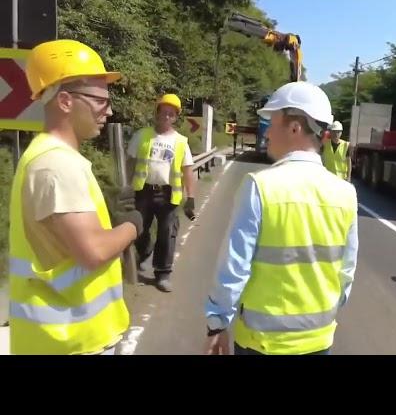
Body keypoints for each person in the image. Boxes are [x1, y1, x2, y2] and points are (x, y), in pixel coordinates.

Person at [204, 81, 359, 355]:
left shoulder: (260, 186)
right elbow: (346, 272)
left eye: (273, 123)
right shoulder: (346, 193)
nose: (267, 133)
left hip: (261, 343)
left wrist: (217, 323)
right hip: (319, 342)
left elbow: (234, 266)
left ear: (295, 128)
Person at [9, 39, 142, 355]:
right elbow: (93, 252)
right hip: (68, 341)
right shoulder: (56, 165)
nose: (108, 111)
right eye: (100, 101)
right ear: (65, 101)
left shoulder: (47, 157)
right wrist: (132, 225)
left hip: (67, 338)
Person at [127, 93, 196, 293]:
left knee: (167, 233)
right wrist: (124, 185)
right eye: (163, 112)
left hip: (169, 194)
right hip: (144, 191)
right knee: (138, 230)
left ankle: (163, 273)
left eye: (171, 113)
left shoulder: (181, 141)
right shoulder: (142, 135)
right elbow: (130, 161)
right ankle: (145, 252)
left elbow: (188, 171)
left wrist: (190, 198)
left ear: (175, 117)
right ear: (157, 113)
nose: (166, 116)